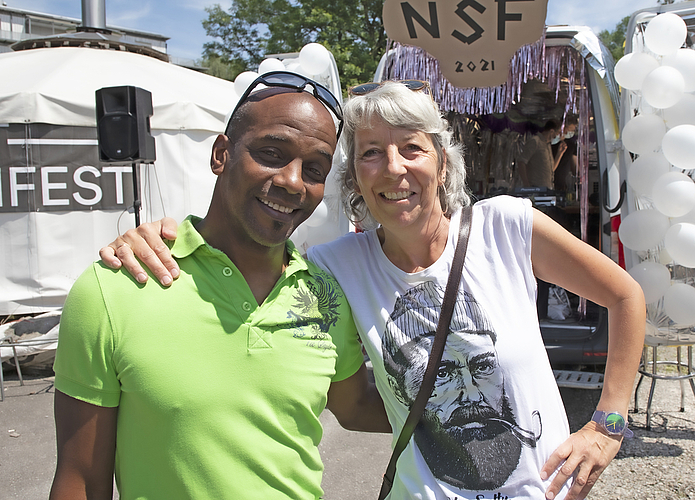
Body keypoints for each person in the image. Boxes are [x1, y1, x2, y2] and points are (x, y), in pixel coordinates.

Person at [101, 80, 646, 500]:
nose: (394, 168)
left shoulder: (506, 228)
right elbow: (245, 257)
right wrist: (159, 235)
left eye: (411, 148)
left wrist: (607, 425)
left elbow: (626, 297)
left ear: (440, 160)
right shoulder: (334, 267)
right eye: (370, 153)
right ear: (354, 180)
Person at [50, 72, 391, 500]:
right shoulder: (117, 285)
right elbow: (80, 479)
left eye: (315, 169)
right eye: (271, 153)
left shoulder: (324, 296)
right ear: (221, 154)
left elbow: (355, 404)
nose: (292, 181)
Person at [517, 119, 568, 189]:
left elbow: (552, 168)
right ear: (552, 132)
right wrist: (526, 184)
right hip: (535, 187)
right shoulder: (535, 142)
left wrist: (560, 153)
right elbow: (521, 162)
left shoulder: (547, 145)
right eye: (558, 133)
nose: (560, 136)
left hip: (547, 188)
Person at [552, 116, 579, 194]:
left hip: (563, 184)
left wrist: (580, 175)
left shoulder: (571, 145)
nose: (571, 132)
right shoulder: (550, 143)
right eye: (570, 129)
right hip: (549, 181)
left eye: (573, 130)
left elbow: (574, 163)